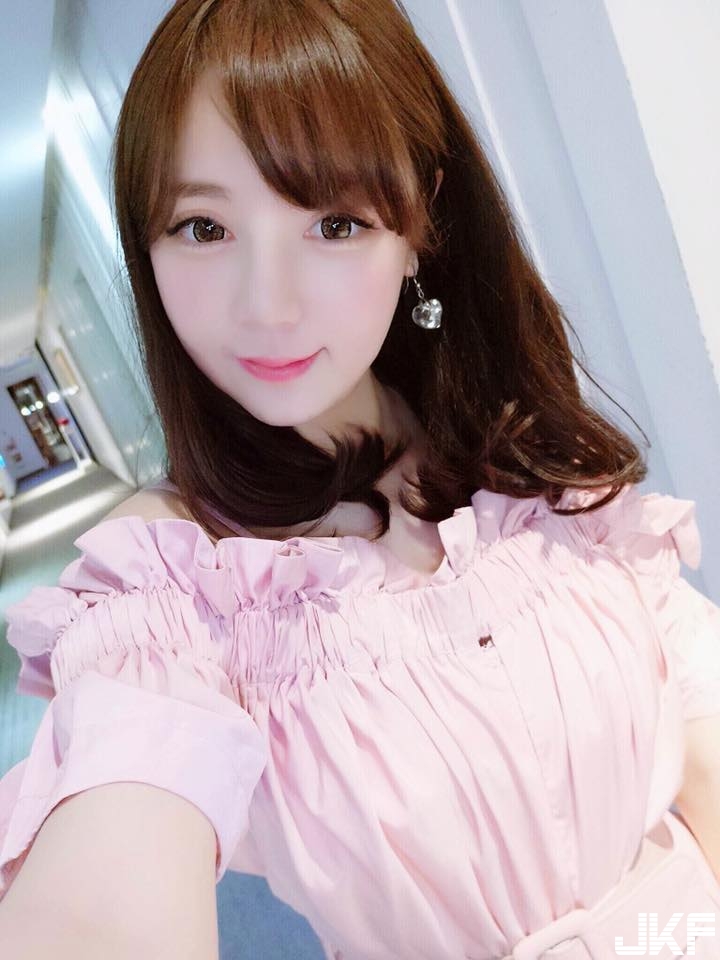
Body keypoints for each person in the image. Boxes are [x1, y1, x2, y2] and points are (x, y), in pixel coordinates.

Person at [1, 1, 719, 957]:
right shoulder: (173, 588)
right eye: (204, 227)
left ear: (420, 222)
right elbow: (108, 876)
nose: (267, 306)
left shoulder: (532, 470)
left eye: (334, 222)